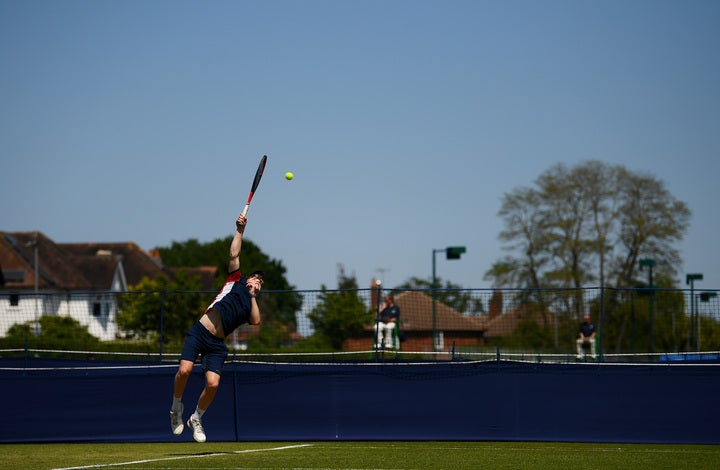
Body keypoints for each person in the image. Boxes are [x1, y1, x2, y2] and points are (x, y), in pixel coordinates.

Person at [169, 213, 264, 442]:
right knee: (184, 371)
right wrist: (240, 230)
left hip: (216, 345)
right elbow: (234, 253)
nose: (257, 284)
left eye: (261, 285)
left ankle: (196, 418)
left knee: (213, 384)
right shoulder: (235, 281)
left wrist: (253, 296)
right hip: (201, 331)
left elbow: (257, 321)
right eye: (256, 280)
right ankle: (176, 409)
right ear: (248, 279)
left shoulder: (249, 304)